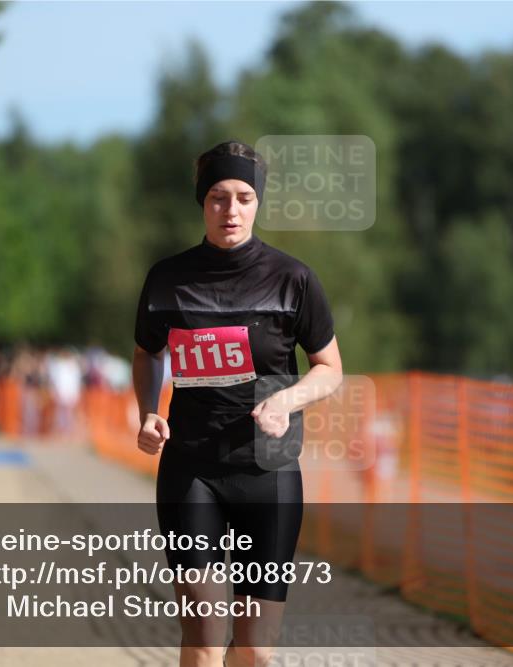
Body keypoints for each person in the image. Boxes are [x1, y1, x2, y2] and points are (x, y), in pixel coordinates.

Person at [132, 140, 343, 667]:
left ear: (258, 202)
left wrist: (286, 401)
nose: (231, 210)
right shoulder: (168, 279)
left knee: (254, 649)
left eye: (244, 198)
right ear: (202, 202)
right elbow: (146, 352)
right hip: (190, 469)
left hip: (268, 473)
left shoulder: (293, 279)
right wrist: (148, 411)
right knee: (203, 639)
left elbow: (330, 369)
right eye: (219, 198)